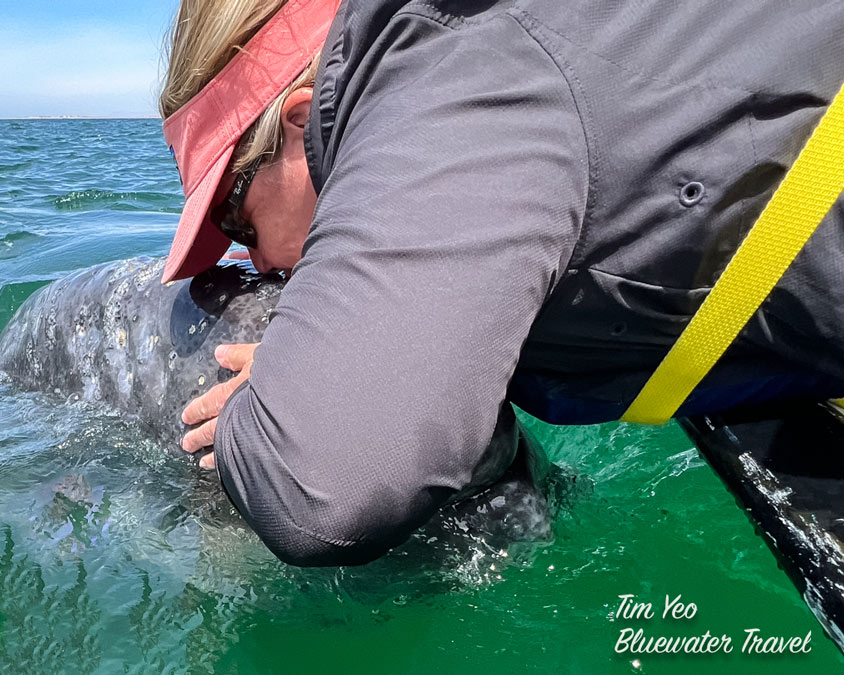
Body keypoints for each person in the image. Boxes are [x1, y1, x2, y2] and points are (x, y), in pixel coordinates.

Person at [158, 0, 844, 566]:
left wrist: (273, 406)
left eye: (236, 219)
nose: (256, 264)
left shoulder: (444, 69)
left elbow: (325, 490)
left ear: (299, 120)